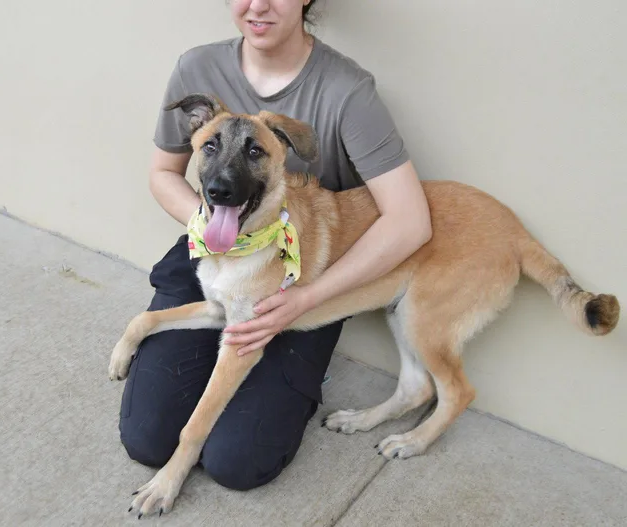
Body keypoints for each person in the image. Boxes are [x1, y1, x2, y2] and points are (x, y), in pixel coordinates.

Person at [118, 0, 432, 491]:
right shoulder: (197, 68)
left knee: (238, 463)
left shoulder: (347, 91)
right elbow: (163, 173)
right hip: (209, 252)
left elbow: (411, 221)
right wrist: (210, 230)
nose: (258, 5)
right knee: (145, 438)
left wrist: (308, 298)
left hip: (299, 276)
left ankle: (295, 387)